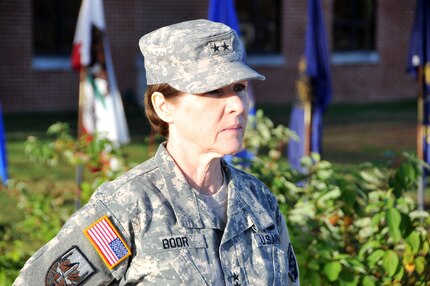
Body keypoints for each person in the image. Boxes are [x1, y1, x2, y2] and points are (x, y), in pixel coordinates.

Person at [14, 19, 299, 285]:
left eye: (239, 87)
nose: (238, 104)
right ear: (164, 106)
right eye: (213, 91)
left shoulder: (259, 202)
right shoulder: (130, 207)